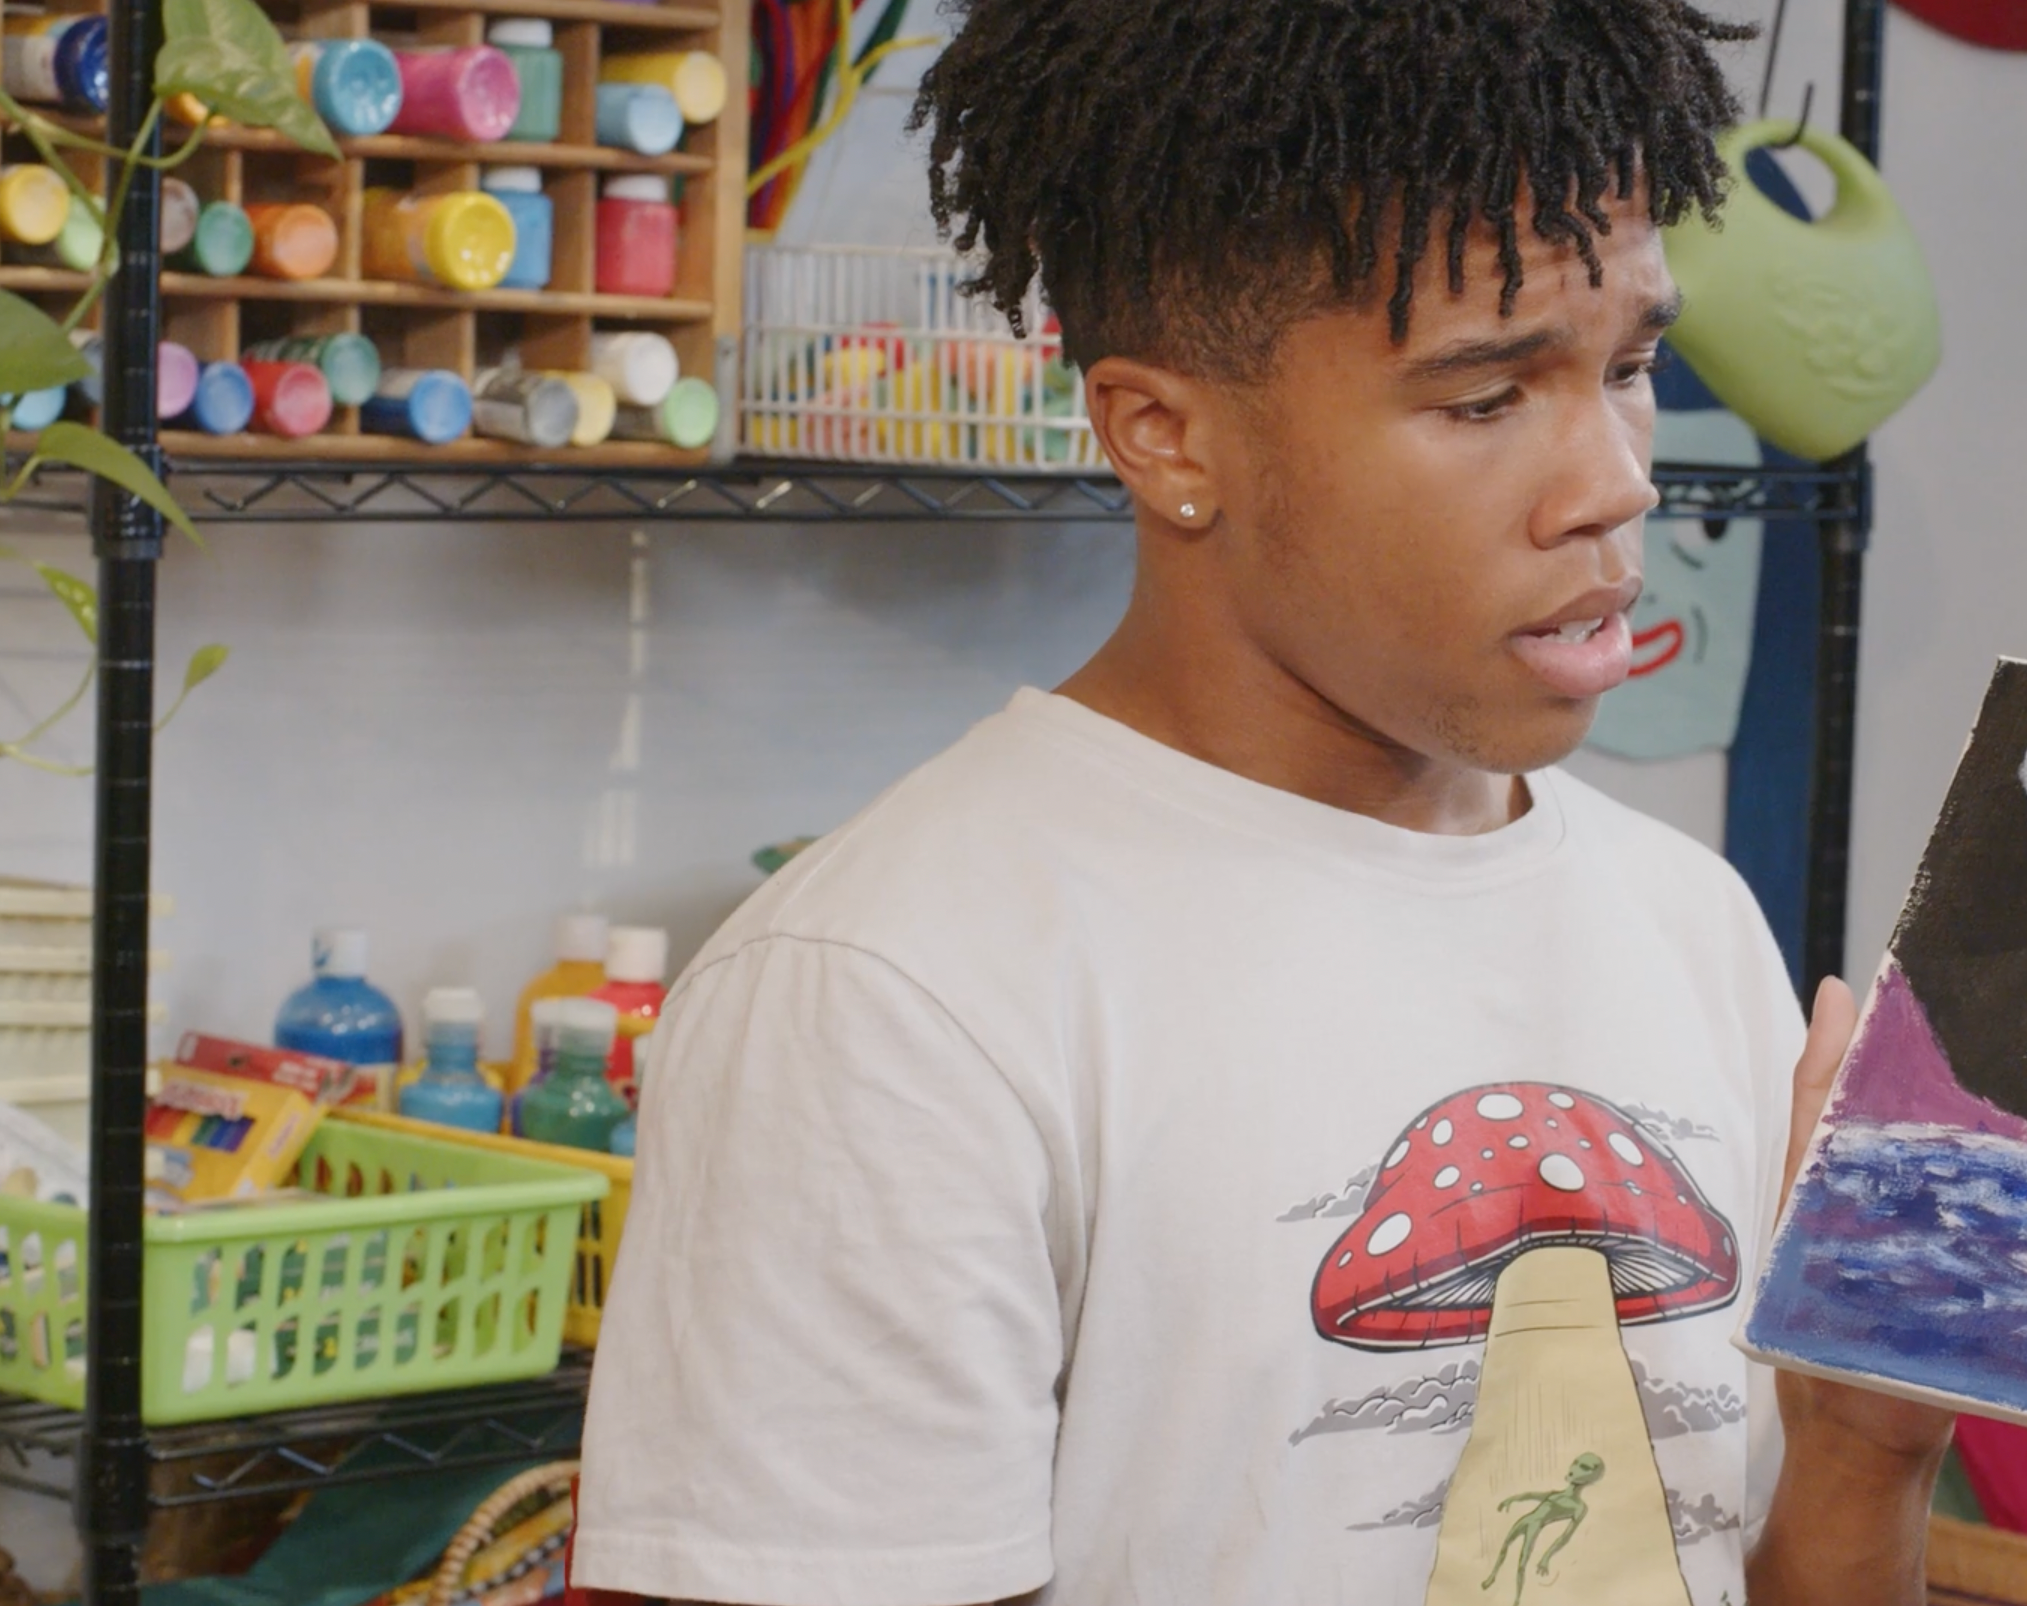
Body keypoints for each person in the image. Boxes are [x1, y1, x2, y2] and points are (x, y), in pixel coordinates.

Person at [572, 1, 1951, 1601]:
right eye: (1485, 397)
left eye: (1630, 366)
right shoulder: (891, 995)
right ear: (1165, 434)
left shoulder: (1688, 918)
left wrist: (1860, 1447)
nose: (1616, 479)